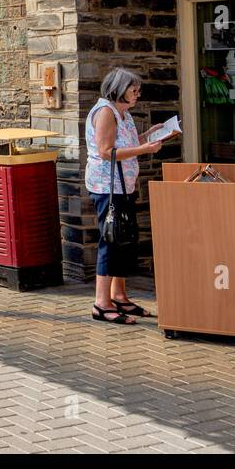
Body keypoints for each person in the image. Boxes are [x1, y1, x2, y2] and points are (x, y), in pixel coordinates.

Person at [87, 66, 171, 326]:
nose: (137, 95)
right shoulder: (105, 113)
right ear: (119, 90)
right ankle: (101, 303)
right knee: (110, 240)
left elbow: (127, 143)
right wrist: (145, 149)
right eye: (134, 90)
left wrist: (151, 134)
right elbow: (106, 151)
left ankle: (119, 296)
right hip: (107, 187)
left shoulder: (124, 114)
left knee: (123, 240)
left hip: (124, 186)